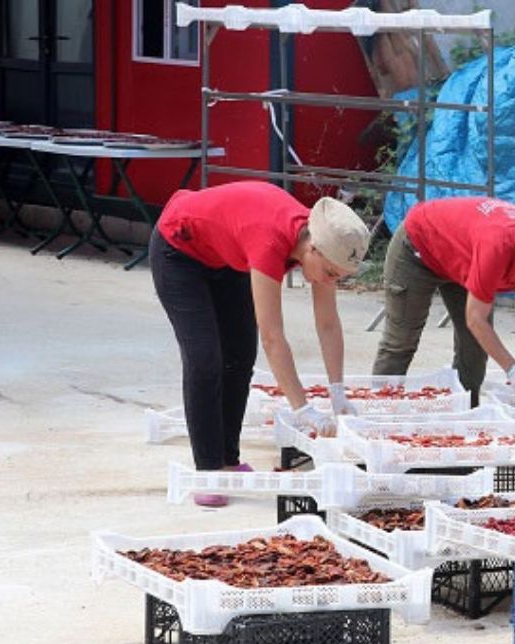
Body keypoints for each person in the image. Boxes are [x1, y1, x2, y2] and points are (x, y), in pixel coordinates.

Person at [150, 181, 371, 507]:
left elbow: (327, 323)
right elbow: (273, 335)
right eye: (329, 272)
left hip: (227, 256)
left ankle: (227, 458)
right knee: (205, 357)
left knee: (239, 355)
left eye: (338, 276)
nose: (329, 281)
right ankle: (208, 471)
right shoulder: (270, 240)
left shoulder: (321, 248)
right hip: (179, 250)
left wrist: (338, 391)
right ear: (313, 249)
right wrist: (303, 408)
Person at [372, 196, 515, 409]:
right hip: (418, 247)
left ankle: (466, 410)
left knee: (474, 346)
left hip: (463, 259)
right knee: (401, 340)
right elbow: (476, 319)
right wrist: (513, 369)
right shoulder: (498, 247)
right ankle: (379, 410)